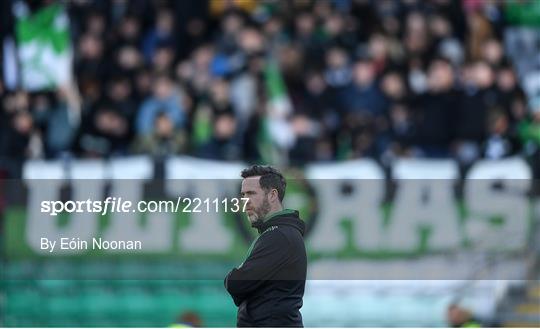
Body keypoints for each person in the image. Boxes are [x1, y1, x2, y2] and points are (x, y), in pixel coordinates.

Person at [224, 165, 307, 327]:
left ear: (272, 195)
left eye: (251, 194)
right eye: (243, 195)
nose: (245, 202)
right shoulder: (278, 233)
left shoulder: (278, 236)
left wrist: (234, 276)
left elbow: (236, 284)